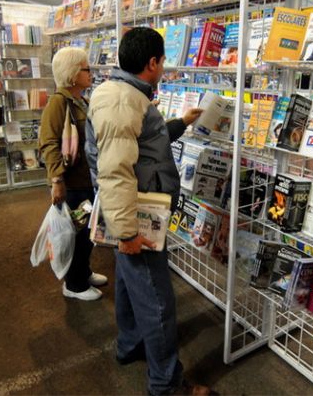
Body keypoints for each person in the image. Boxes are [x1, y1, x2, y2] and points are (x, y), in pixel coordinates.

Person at [84, 27, 211, 395]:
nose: (164, 67)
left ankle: (129, 345)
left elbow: (141, 146)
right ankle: (166, 385)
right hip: (137, 216)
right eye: (163, 61)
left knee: (128, 284)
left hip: (132, 210)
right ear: (152, 62)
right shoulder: (123, 100)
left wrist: (181, 123)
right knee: (157, 300)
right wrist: (127, 233)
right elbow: (115, 169)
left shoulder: (123, 95)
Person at [39, 47, 106, 301]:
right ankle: (74, 285)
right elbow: (48, 143)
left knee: (87, 233)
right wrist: (56, 180)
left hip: (86, 180)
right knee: (75, 235)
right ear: (73, 73)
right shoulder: (59, 102)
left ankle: (83, 272)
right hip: (72, 183)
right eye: (86, 68)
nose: (91, 73)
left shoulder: (81, 100)